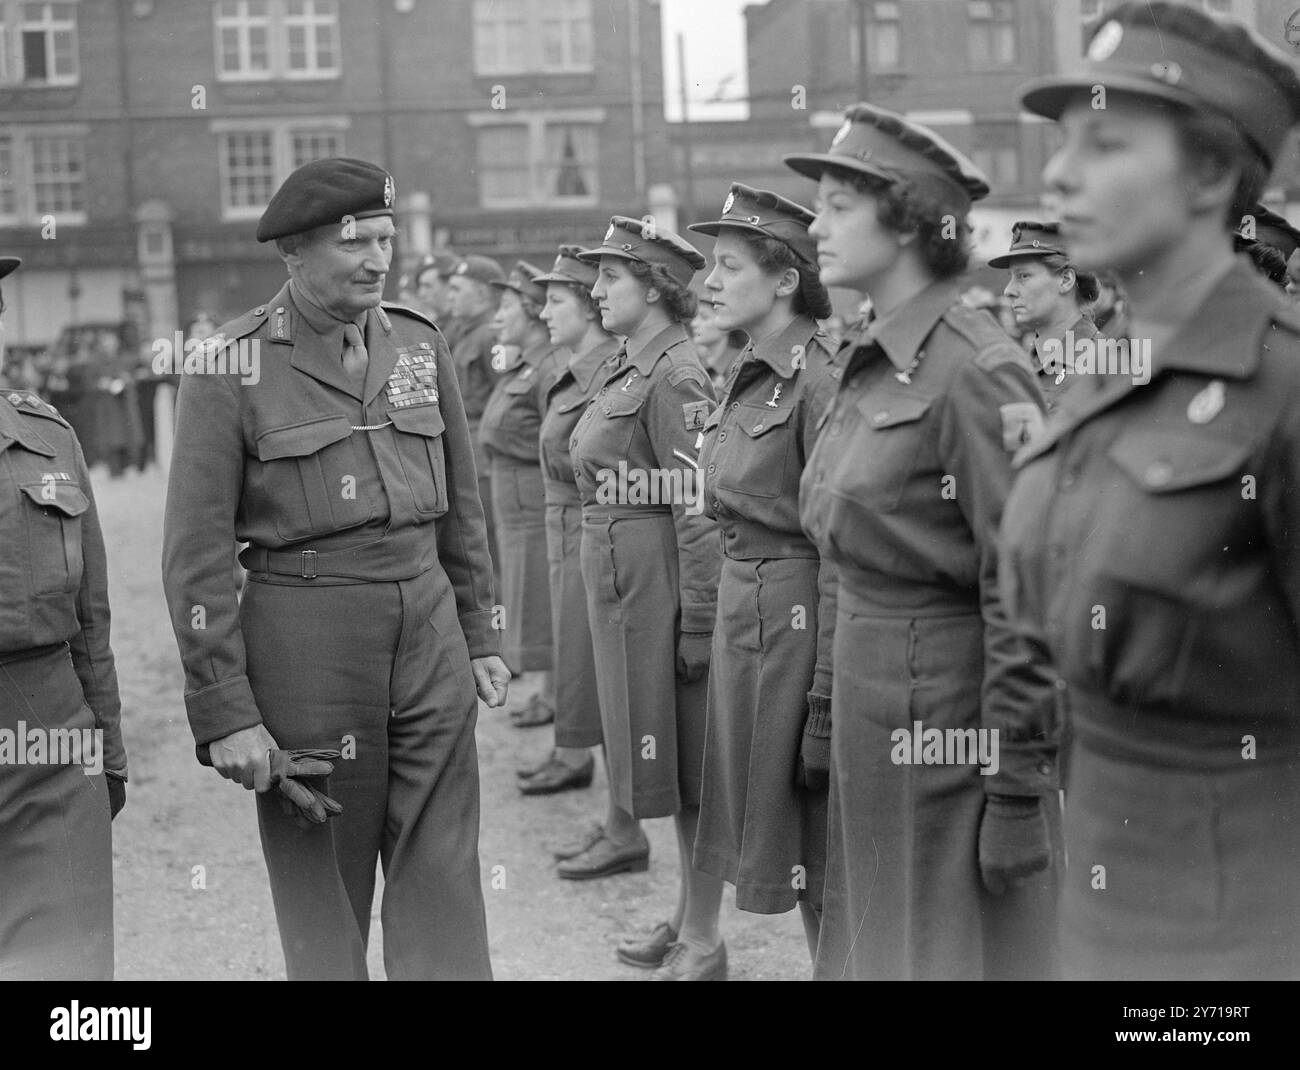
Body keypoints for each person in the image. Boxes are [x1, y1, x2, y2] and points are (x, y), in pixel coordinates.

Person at [1005, 1, 1300, 980]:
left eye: (1104, 145)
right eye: (1061, 144)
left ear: (1210, 175)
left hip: (1239, 921)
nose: (1058, 175)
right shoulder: (1108, 369)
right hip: (1102, 882)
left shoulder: (1282, 387)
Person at [161, 157, 509, 981]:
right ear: (294, 252)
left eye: (385, 240)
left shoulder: (418, 341)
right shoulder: (227, 366)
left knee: (445, 875)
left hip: (428, 630)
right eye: (355, 243)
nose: (377, 259)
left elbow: (462, 505)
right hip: (307, 639)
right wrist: (225, 711)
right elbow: (196, 555)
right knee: (323, 888)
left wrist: (480, 631)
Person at [784, 104, 1061, 981]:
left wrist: (1015, 788)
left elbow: (1026, 590)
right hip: (873, 703)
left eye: (838, 207)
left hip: (946, 721)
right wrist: (826, 706)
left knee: (943, 950)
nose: (816, 228)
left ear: (907, 222)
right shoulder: (874, 354)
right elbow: (842, 549)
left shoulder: (977, 368)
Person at [687, 183, 840, 963]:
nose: (708, 282)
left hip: (795, 617)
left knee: (814, 821)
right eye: (711, 265)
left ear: (785, 280)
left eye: (728, 266)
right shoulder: (751, 366)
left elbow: (838, 543)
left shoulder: (820, 375)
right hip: (746, 609)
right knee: (780, 821)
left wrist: (826, 690)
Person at [566, 217, 723, 980]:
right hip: (623, 579)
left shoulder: (677, 373)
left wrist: (698, 621)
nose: (596, 290)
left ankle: (705, 935)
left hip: (658, 584)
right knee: (661, 759)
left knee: (688, 766)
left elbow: (696, 505)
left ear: (656, 288)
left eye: (611, 277)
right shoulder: (630, 365)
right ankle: (687, 916)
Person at [0, 254, 128, 980]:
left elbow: (90, 617)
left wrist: (108, 747)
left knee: (68, 979)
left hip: (48, 736)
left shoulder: (47, 438)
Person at [519, 244, 620, 795]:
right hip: (566, 525)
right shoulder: (573, 368)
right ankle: (574, 755)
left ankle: (616, 810)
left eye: (556, 301)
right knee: (576, 660)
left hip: (593, 528)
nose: (544, 312)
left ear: (587, 306)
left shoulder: (609, 370)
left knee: (594, 667)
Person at [481, 262, 561, 729]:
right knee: (529, 602)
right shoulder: (526, 363)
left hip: (535, 503)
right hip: (515, 504)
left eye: (507, 306)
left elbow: (558, 442)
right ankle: (548, 694)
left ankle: (556, 700)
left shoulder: (549, 366)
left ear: (532, 311)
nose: (498, 317)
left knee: (543, 603)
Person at [990, 221, 1102, 413]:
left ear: (1065, 280)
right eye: (1011, 277)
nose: (1008, 290)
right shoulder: (1023, 365)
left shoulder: (1103, 364)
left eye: (1023, 276)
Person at [447, 255, 506, 575]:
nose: (450, 296)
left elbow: (504, 397)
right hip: (469, 453)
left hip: (483, 458)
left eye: (458, 289)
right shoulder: (464, 332)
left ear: (483, 293)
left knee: (489, 547)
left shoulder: (489, 336)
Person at [690, 296, 747, 389]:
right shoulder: (696, 364)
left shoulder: (741, 366)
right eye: (694, 317)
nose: (693, 324)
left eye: (704, 317)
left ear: (726, 325)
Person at [415, 251, 460, 336]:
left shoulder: (461, 325)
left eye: (428, 286)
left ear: (448, 284)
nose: (421, 293)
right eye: (420, 286)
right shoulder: (435, 324)